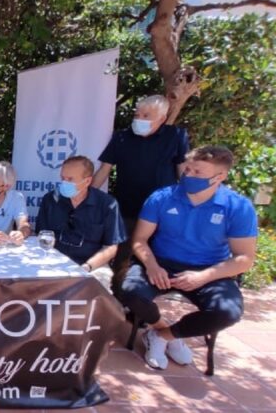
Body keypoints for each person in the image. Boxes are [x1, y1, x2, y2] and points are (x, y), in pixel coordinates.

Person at [120, 146, 257, 370]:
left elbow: (244, 258)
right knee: (129, 292)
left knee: (228, 312)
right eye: (187, 169)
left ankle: (164, 336)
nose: (189, 175)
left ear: (220, 176)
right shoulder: (162, 197)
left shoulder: (238, 207)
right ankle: (160, 328)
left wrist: (203, 277)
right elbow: (140, 240)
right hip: (161, 261)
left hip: (210, 269)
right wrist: (152, 266)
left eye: (197, 172)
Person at [91, 95, 189, 292]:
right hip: (128, 207)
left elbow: (183, 171)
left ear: (162, 118)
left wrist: (188, 202)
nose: (139, 118)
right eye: (137, 114)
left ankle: (146, 304)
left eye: (146, 115)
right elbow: (104, 169)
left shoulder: (176, 136)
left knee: (156, 258)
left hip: (163, 212)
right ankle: (118, 300)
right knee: (122, 257)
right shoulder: (122, 137)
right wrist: (89, 196)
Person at [36, 156, 126, 288]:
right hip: (54, 262)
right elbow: (42, 235)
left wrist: (86, 267)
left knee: (98, 284)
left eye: (70, 179)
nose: (64, 183)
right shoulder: (51, 200)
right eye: (63, 178)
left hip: (91, 264)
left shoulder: (107, 205)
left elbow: (111, 247)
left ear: (87, 181)